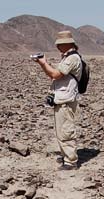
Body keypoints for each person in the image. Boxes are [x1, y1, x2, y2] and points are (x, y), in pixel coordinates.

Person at [34, 31, 83, 171]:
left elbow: (55, 74)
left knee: (66, 131)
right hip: (62, 100)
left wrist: (43, 63)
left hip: (66, 101)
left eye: (60, 44)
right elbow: (56, 75)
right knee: (61, 131)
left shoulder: (72, 58)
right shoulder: (68, 57)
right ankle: (66, 155)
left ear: (67, 44)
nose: (58, 47)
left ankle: (70, 161)